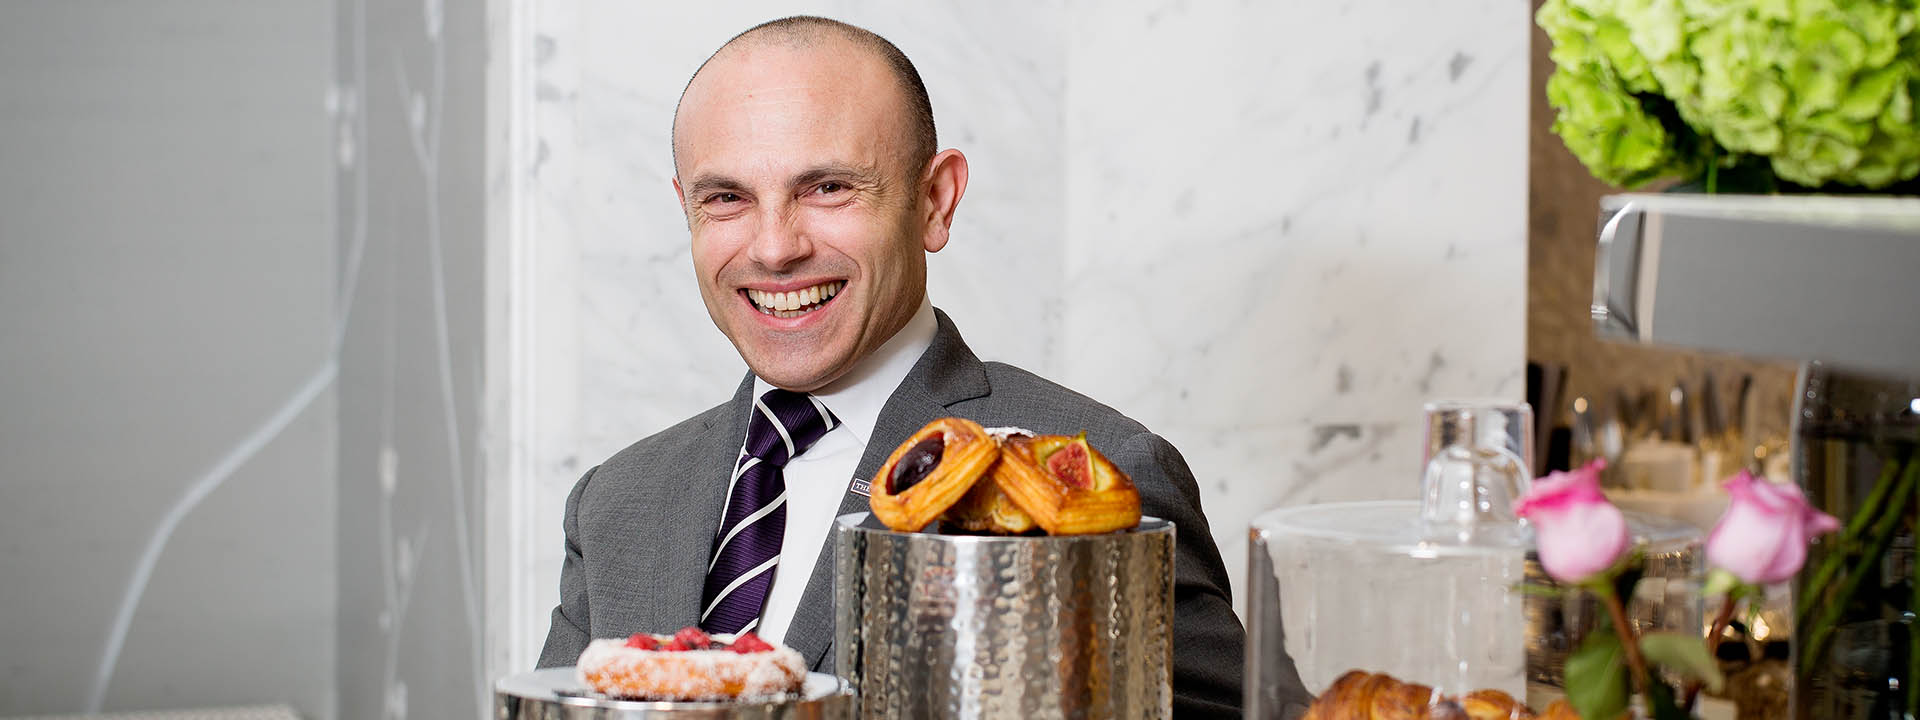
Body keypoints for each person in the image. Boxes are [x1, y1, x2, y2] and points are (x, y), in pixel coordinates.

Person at [536, 16, 1306, 717]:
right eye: (727, 199)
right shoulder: (616, 504)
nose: (774, 248)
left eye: (828, 187)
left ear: (935, 201)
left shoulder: (1091, 474)